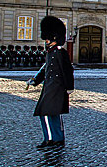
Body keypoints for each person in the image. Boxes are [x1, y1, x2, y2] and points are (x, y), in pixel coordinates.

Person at [27, 16, 74, 149]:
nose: (46, 40)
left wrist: (69, 87)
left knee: (47, 113)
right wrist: (35, 80)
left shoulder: (60, 52)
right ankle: (54, 138)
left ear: (54, 38)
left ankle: (52, 139)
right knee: (50, 113)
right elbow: (45, 69)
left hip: (57, 87)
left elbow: (67, 70)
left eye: (48, 38)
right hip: (49, 87)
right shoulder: (50, 52)